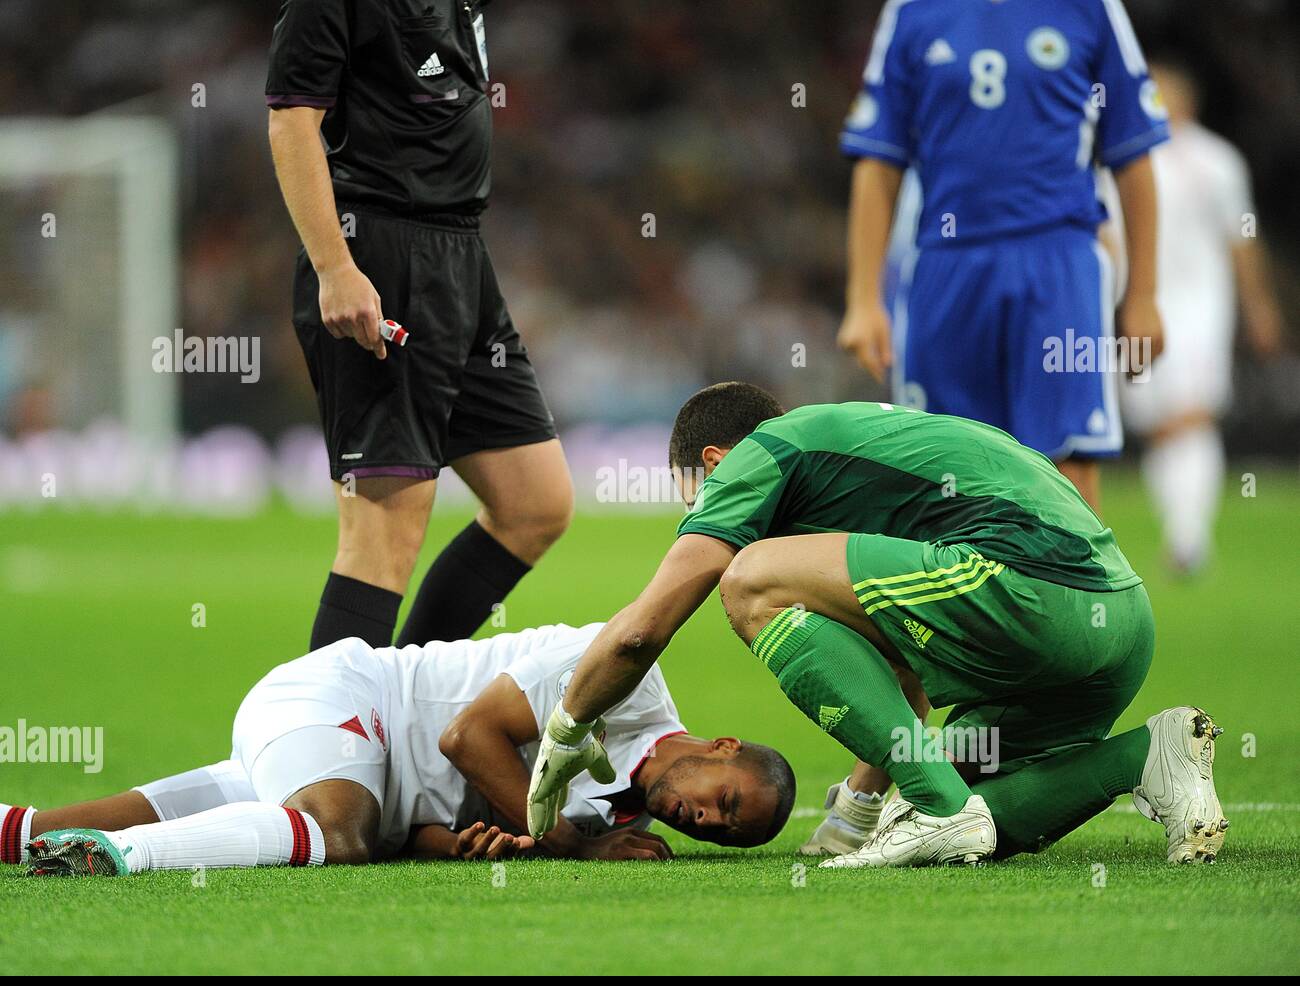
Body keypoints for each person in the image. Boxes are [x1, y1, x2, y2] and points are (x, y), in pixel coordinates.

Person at [523, 382, 1227, 868]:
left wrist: (568, 724)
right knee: (966, 808)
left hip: (1028, 592)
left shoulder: (764, 452)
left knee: (747, 579)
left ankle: (933, 803)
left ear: (714, 463)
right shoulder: (859, 474)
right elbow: (900, 661)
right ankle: (1146, 754)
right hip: (1117, 628)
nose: (706, 520)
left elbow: (643, 627)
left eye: (696, 503)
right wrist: (859, 805)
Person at [4, 623, 796, 876]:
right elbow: (467, 736)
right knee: (337, 834)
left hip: (339, 761)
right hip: (347, 699)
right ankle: (117, 856)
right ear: (721, 745)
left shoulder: (610, 814)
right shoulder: (622, 670)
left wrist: (467, 843)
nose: (703, 817)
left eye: (719, 829)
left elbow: (416, 831)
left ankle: (18, 828)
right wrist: (561, 843)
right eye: (726, 799)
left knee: (333, 824)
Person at [265, 0, 572, 651]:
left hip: (461, 253)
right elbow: (292, 122)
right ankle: (328, 747)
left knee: (534, 502)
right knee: (384, 530)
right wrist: (335, 267)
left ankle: (399, 693)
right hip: (380, 249)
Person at [837, 0, 1170, 513]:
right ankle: (951, 592)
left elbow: (1133, 153)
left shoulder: (1091, 8)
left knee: (1068, 462)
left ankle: (1073, 594)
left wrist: (1143, 296)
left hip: (1059, 260)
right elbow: (879, 157)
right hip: (945, 264)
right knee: (937, 464)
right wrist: (863, 299)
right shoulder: (911, 11)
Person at [1121, 59, 1286, 575]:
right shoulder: (1126, 158)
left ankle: (1188, 538)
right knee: (1156, 423)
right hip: (1139, 304)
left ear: (1186, 100)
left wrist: (1258, 306)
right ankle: (1183, 531)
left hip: (1201, 307)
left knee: (1191, 412)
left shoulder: (1217, 161)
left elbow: (1243, 240)